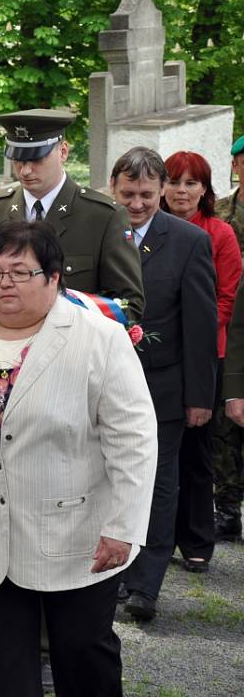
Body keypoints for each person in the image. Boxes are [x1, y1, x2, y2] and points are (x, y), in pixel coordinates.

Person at [0, 220, 157, 697]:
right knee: (2, 663)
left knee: (83, 656)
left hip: (79, 534)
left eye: (21, 272)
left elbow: (134, 439)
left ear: (53, 277)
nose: (5, 282)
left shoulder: (98, 339)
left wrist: (123, 527)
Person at [109, 147, 217, 621]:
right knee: (108, 479)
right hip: (104, 382)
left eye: (146, 195)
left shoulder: (189, 241)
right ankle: (109, 573)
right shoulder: (99, 232)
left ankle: (144, 586)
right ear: (114, 188)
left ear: (160, 191)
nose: (136, 204)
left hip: (162, 385)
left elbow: (199, 322)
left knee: (159, 483)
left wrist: (199, 397)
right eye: (128, 193)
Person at [0, 108, 144, 323]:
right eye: (18, 160)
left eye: (36, 160)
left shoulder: (102, 217)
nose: (25, 171)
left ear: (63, 152)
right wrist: (4, 323)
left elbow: (127, 303)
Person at [161, 150, 242, 572]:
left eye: (192, 183)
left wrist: (194, 336)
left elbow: (227, 299)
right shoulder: (145, 230)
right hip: (155, 354)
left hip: (204, 356)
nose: (182, 191)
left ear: (205, 189)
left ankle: (195, 539)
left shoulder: (219, 234)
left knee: (196, 451)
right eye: (174, 182)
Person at [213, 133, 244, 542]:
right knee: (225, 423)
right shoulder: (220, 214)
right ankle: (227, 507)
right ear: (236, 165)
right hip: (225, 326)